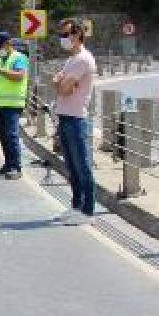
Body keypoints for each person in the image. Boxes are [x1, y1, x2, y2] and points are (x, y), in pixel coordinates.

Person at [51, 19, 97, 224]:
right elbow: (61, 84)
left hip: (76, 118)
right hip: (65, 116)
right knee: (71, 166)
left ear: (77, 35)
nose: (62, 39)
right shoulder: (72, 60)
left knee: (82, 167)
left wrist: (60, 81)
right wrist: (61, 82)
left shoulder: (83, 60)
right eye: (61, 35)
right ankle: (76, 206)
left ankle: (87, 211)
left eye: (65, 35)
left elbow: (63, 88)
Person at [0, 31, 28, 179]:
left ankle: (16, 167)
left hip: (13, 104)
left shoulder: (19, 58)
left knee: (11, 135)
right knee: (2, 135)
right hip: (0, 104)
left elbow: (19, 76)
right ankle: (8, 164)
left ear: (8, 43)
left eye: (0, 45)